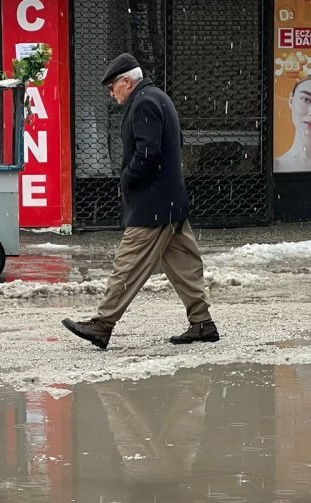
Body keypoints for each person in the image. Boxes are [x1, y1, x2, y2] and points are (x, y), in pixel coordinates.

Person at [61, 53, 218, 350]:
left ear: (126, 81)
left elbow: (148, 153)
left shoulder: (143, 102)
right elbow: (175, 143)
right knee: (184, 264)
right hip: (170, 201)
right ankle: (202, 323)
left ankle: (102, 325)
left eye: (113, 87)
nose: (112, 93)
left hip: (152, 205)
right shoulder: (159, 97)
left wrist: (127, 178)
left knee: (128, 264)